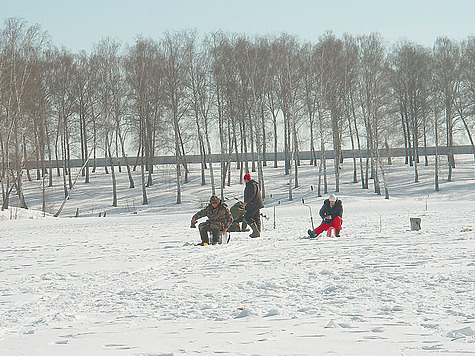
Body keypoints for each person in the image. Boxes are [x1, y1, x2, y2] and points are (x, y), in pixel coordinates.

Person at [243, 173, 264, 238]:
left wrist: (246, 202)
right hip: (256, 204)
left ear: (246, 179)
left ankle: (256, 231)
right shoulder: (253, 184)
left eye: (244, 179)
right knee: (256, 217)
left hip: (253, 204)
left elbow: (251, 194)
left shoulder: (251, 185)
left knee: (248, 217)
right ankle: (257, 231)